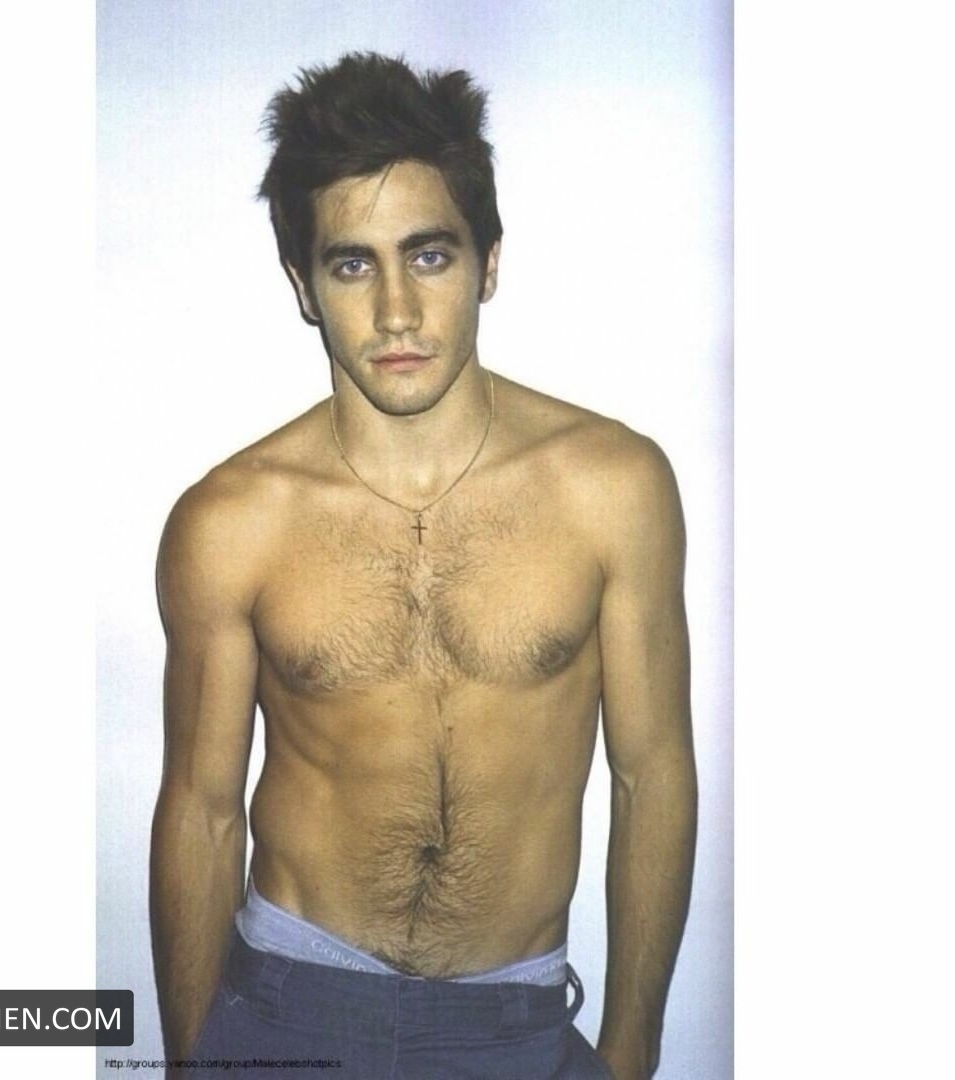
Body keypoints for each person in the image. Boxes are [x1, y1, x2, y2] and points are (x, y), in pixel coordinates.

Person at [150, 52, 697, 1080]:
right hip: (289, 1010)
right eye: (353, 265)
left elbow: (652, 772)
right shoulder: (230, 521)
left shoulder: (613, 488)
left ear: (489, 263)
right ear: (304, 287)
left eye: (430, 255)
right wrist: (194, 1064)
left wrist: (631, 1050)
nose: (397, 310)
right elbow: (201, 809)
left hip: (514, 1024)